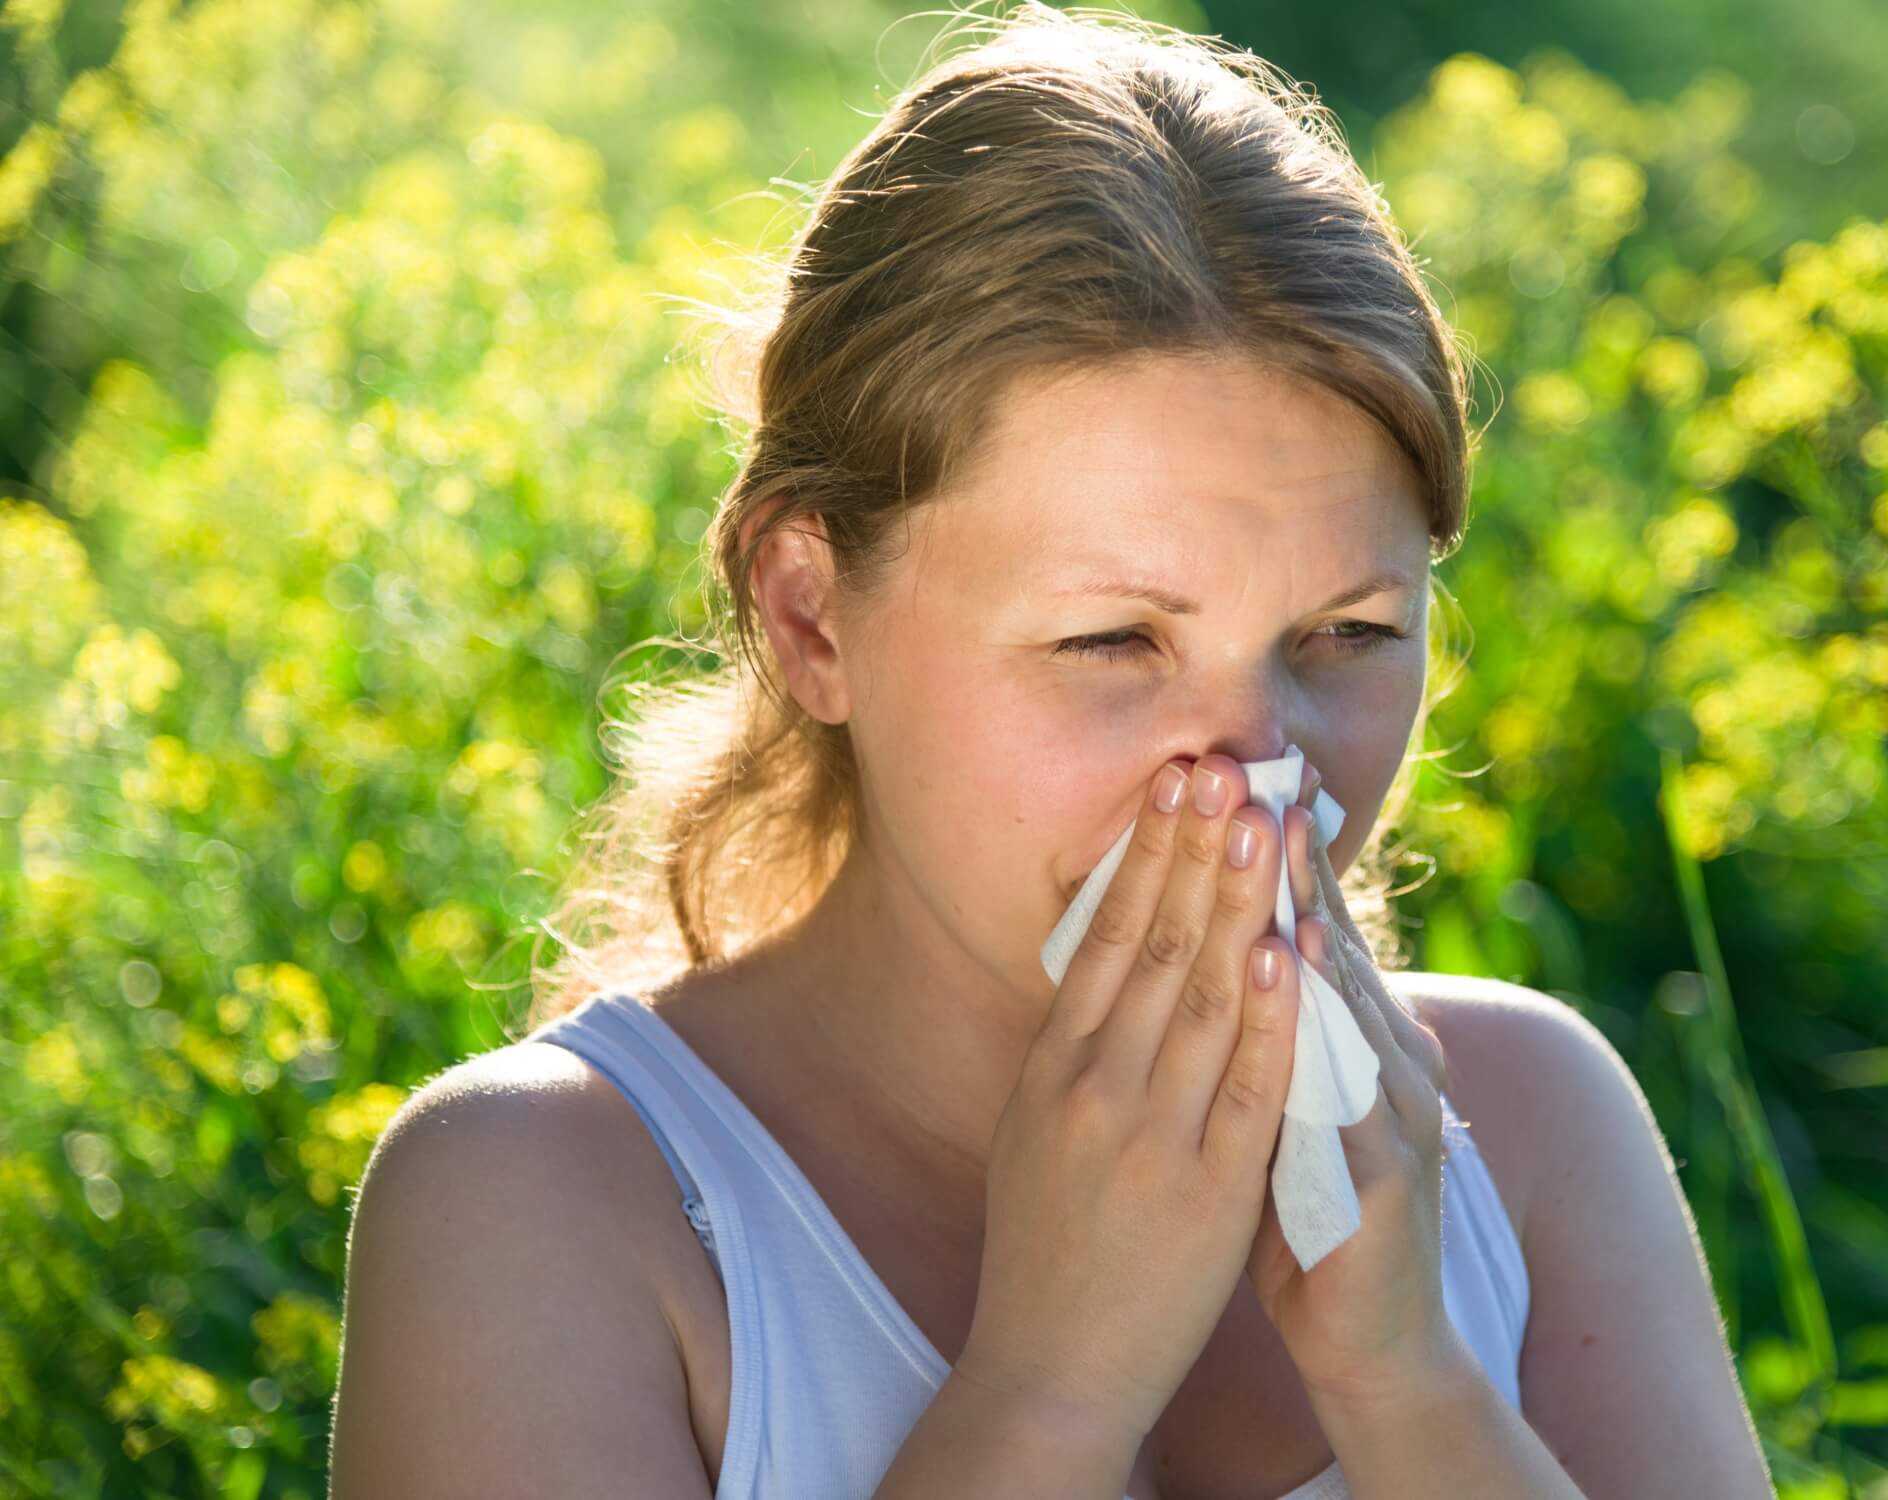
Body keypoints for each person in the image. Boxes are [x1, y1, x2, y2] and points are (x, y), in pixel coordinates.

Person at [326, 5, 1776, 1497]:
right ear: (811, 616)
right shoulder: (549, 1205)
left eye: (1345, 636)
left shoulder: (1527, 1122)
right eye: (1111, 646)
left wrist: (1404, 1381)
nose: (1248, 775)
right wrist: (1051, 1388)